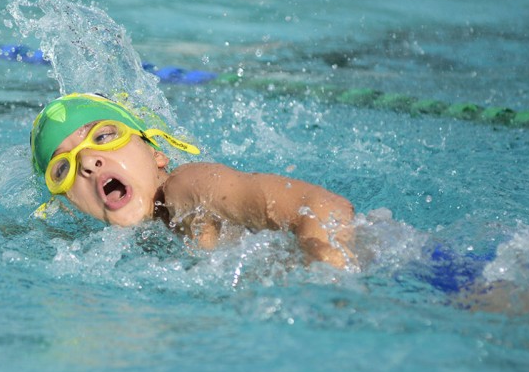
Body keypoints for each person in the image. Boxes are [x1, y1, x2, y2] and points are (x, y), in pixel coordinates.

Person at [30, 92, 357, 269]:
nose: (87, 161)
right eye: (62, 168)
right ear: (68, 203)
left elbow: (323, 207)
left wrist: (332, 287)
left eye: (104, 136)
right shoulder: (121, 241)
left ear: (156, 154)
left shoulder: (187, 187)